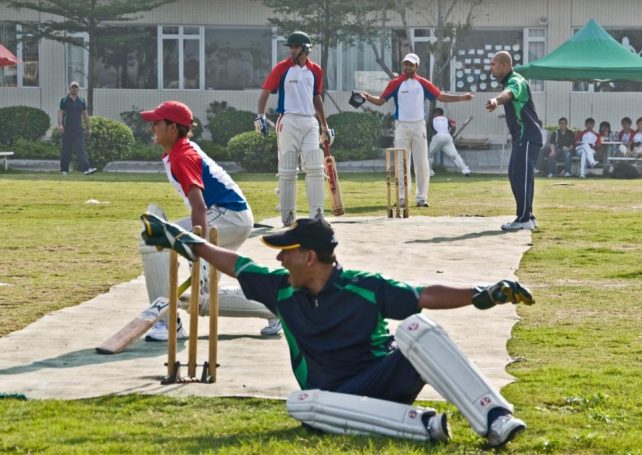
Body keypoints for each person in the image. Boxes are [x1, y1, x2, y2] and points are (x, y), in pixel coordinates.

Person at [140, 214, 534, 447]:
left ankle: (495, 418)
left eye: (286, 251)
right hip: (335, 396)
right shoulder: (280, 288)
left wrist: (482, 294)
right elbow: (236, 263)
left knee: (417, 326)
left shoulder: (363, 286)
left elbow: (423, 295)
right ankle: (426, 427)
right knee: (300, 403)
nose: (279, 257)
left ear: (309, 257)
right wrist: (184, 241)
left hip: (384, 376)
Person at [139, 100, 281, 338]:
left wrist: (199, 248)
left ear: (173, 127)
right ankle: (274, 309)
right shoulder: (180, 149)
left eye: (157, 123)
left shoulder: (182, 155)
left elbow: (199, 205)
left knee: (152, 239)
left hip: (226, 215)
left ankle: (167, 322)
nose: (152, 128)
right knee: (201, 298)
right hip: (234, 217)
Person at [360, 53, 474, 207]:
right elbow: (380, 101)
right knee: (401, 163)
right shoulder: (395, 83)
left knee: (422, 164)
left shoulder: (423, 83)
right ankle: (402, 198)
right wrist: (367, 96)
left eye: (411, 64)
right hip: (401, 126)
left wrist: (461, 97)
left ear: (416, 66)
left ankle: (421, 198)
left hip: (418, 126)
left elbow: (440, 97)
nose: (407, 67)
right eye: (405, 64)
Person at [255, 31, 334, 227]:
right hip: (288, 120)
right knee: (288, 169)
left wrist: (325, 126)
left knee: (315, 168)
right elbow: (265, 91)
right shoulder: (282, 68)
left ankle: (317, 215)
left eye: (295, 47)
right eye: (290, 47)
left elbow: (317, 97)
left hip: (310, 121)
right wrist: (260, 115)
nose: (291, 50)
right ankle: (288, 216)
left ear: (305, 49)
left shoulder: (315, 70)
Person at [486, 51, 542, 231]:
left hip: (528, 136)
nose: (491, 68)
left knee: (521, 176)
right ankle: (528, 216)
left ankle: (524, 218)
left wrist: (496, 100)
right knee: (516, 175)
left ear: (504, 65)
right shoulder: (511, 80)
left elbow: (509, 93)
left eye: (493, 64)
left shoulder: (516, 80)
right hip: (523, 138)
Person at [57, 81, 97, 175]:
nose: (74, 89)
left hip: (78, 129)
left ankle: (86, 169)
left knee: (81, 150)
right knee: (65, 150)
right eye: (72, 87)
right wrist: (60, 125)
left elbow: (85, 114)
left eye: (76, 87)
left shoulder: (81, 101)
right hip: (67, 129)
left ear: (78, 89)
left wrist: (88, 127)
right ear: (69, 88)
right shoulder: (64, 100)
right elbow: (60, 113)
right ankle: (64, 170)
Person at [428, 108, 471, 177]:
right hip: (447, 136)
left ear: (436, 113)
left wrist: (429, 139)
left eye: (434, 114)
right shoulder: (447, 119)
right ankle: (465, 171)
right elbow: (453, 126)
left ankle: (430, 172)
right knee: (455, 156)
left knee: (429, 154)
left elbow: (430, 131)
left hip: (438, 136)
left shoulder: (432, 120)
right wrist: (451, 135)